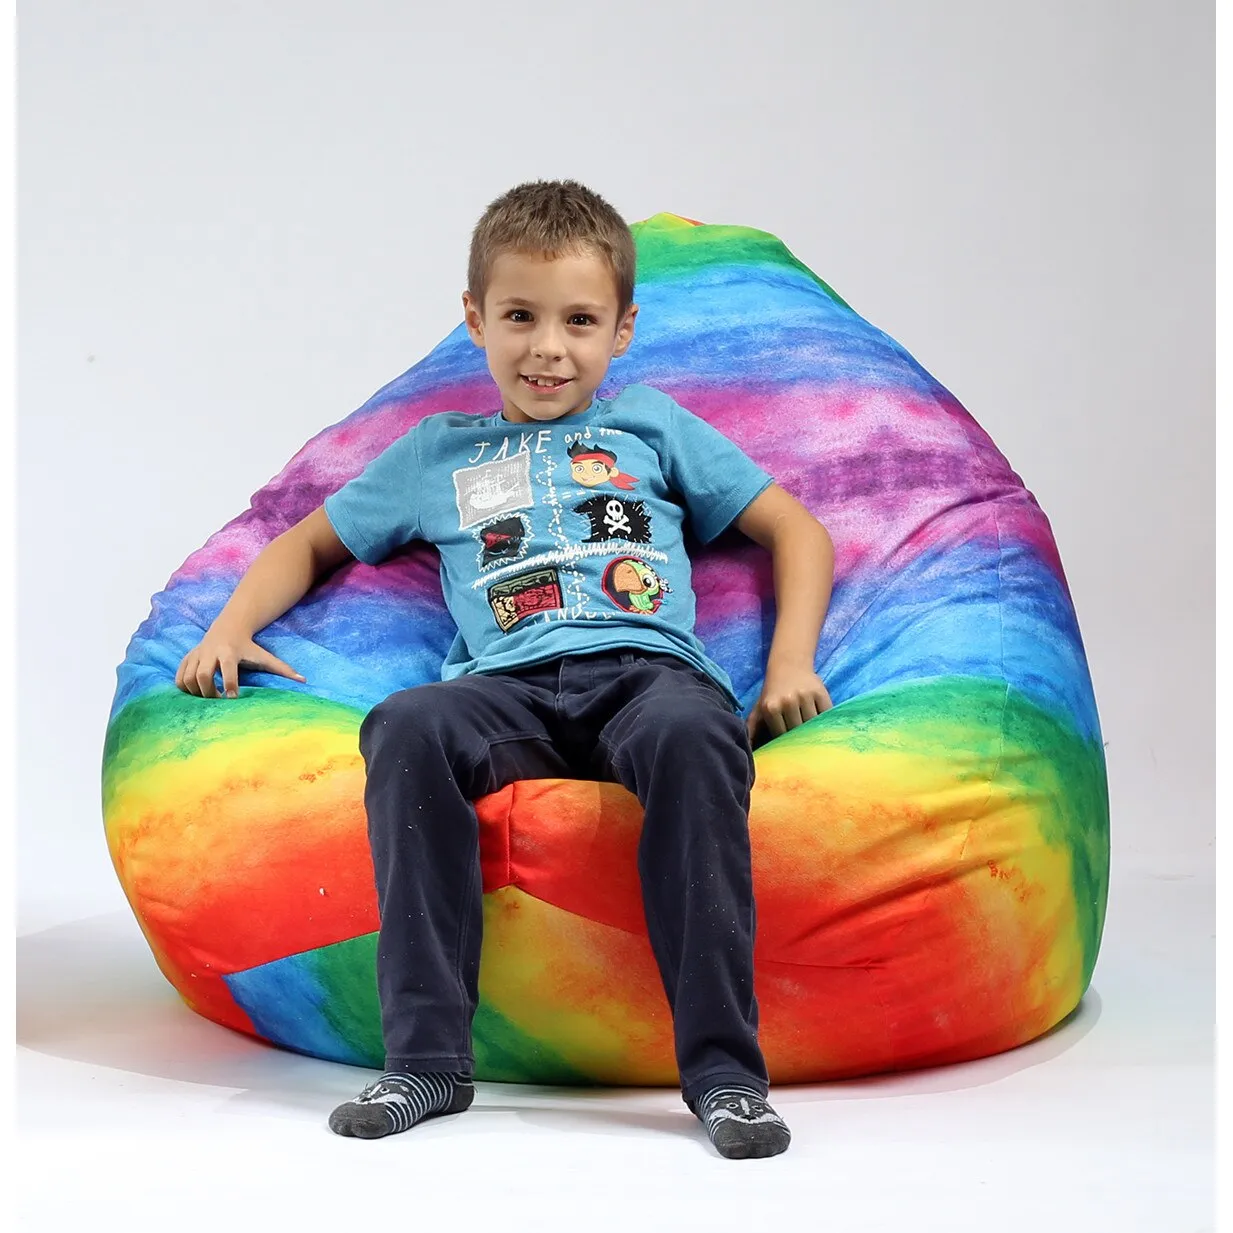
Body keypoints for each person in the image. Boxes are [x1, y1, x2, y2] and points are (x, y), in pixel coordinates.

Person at [175, 180, 835, 1160]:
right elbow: (307, 542)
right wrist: (230, 625)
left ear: (622, 330)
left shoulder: (651, 425)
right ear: (475, 319)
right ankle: (428, 1063)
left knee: (694, 734)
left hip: (646, 673)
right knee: (406, 724)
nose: (547, 348)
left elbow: (795, 529)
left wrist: (788, 663)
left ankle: (725, 1076)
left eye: (580, 321)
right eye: (520, 316)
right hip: (506, 688)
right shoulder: (438, 453)